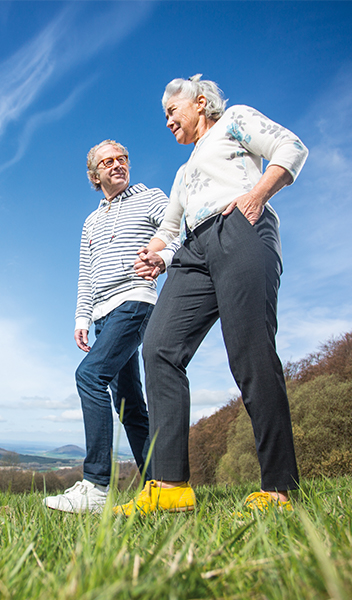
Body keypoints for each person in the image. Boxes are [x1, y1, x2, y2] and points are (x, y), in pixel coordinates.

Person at [114, 75, 308, 516]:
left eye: (172, 112)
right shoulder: (183, 172)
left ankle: (279, 489)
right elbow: (170, 228)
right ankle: (170, 487)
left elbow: (291, 147)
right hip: (193, 249)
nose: (167, 122)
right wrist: (156, 254)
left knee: (250, 352)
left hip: (241, 227)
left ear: (200, 103)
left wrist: (257, 196)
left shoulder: (234, 120)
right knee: (159, 348)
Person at [44, 140, 177, 513]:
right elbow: (85, 274)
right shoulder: (91, 221)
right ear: (94, 175)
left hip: (135, 300)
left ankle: (96, 486)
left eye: (122, 159)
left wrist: (164, 258)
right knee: (129, 405)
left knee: (89, 376)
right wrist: (82, 318)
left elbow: (177, 230)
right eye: (107, 162)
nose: (117, 165)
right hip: (102, 315)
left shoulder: (150, 197)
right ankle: (160, 489)